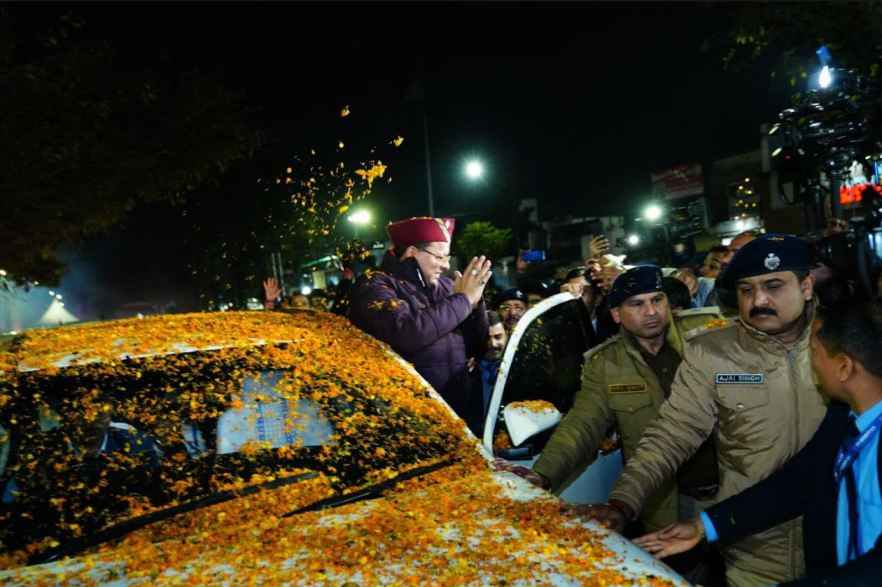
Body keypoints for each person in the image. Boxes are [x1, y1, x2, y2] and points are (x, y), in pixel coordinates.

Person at [584, 234, 827, 587]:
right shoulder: (713, 354)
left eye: (773, 286)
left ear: (806, 287)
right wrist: (622, 503)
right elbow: (671, 435)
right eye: (746, 290)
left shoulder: (844, 344)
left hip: (843, 539)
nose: (759, 300)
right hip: (752, 548)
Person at [635, 300, 882, 586]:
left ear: (843, 368)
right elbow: (804, 479)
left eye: (813, 353)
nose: (811, 363)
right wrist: (705, 526)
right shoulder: (845, 419)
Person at [498, 267, 721, 578]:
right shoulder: (605, 366)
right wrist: (542, 476)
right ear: (616, 314)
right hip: (664, 501)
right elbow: (582, 427)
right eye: (637, 304)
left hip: (731, 488)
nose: (652, 311)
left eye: (657, 300)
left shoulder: (707, 335)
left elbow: (752, 388)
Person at [349, 217, 490, 422]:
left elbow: (478, 346)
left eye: (448, 258)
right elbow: (406, 332)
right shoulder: (376, 284)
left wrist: (476, 306)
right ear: (412, 252)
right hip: (409, 414)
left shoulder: (446, 287)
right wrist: (463, 300)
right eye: (439, 257)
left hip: (459, 410)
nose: (446, 265)